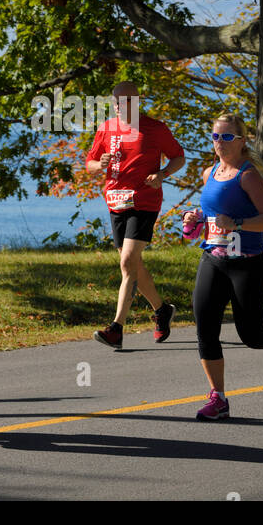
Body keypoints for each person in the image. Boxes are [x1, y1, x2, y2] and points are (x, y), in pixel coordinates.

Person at [181, 114, 263, 421]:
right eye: (215, 137)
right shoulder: (209, 171)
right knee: (205, 329)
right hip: (213, 259)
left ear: (242, 141)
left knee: (251, 335)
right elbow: (214, 215)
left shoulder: (248, 175)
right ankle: (218, 398)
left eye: (226, 138)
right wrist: (195, 219)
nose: (219, 143)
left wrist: (237, 223)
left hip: (247, 265)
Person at [85, 81, 185, 349]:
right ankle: (162, 310)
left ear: (137, 102)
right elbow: (90, 163)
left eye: (126, 101)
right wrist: (100, 164)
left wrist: (162, 174)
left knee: (128, 260)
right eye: (116, 102)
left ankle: (116, 328)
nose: (120, 106)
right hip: (116, 202)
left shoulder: (155, 128)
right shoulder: (106, 128)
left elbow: (178, 157)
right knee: (133, 265)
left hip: (145, 201)